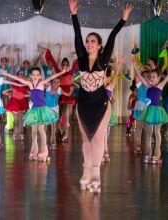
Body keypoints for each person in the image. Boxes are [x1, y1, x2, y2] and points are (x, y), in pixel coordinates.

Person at [69, 0, 133, 192]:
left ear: (99, 45)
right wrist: (73, 14)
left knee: (97, 140)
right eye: (88, 41)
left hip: (101, 105)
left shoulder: (104, 60)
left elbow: (113, 36)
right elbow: (77, 34)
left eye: (93, 41)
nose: (89, 44)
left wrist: (123, 20)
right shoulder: (81, 58)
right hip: (83, 105)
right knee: (86, 140)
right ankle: (86, 169)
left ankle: (96, 171)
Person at [2, 67, 67, 162]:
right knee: (33, 131)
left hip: (42, 110)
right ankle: (34, 148)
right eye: (34, 75)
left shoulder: (41, 83)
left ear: (40, 76)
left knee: (41, 130)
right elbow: (19, 79)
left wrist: (62, 72)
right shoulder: (29, 84)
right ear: (31, 76)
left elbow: (51, 77)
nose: (35, 76)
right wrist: (7, 74)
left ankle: (44, 149)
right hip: (33, 111)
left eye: (37, 75)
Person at [133, 61, 168, 164]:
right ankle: (148, 153)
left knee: (157, 133)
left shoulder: (160, 86)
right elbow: (139, 76)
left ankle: (157, 154)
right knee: (148, 134)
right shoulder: (148, 86)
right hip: (148, 112)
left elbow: (166, 78)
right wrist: (135, 66)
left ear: (158, 78)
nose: (151, 79)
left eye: (154, 77)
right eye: (150, 77)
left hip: (157, 112)